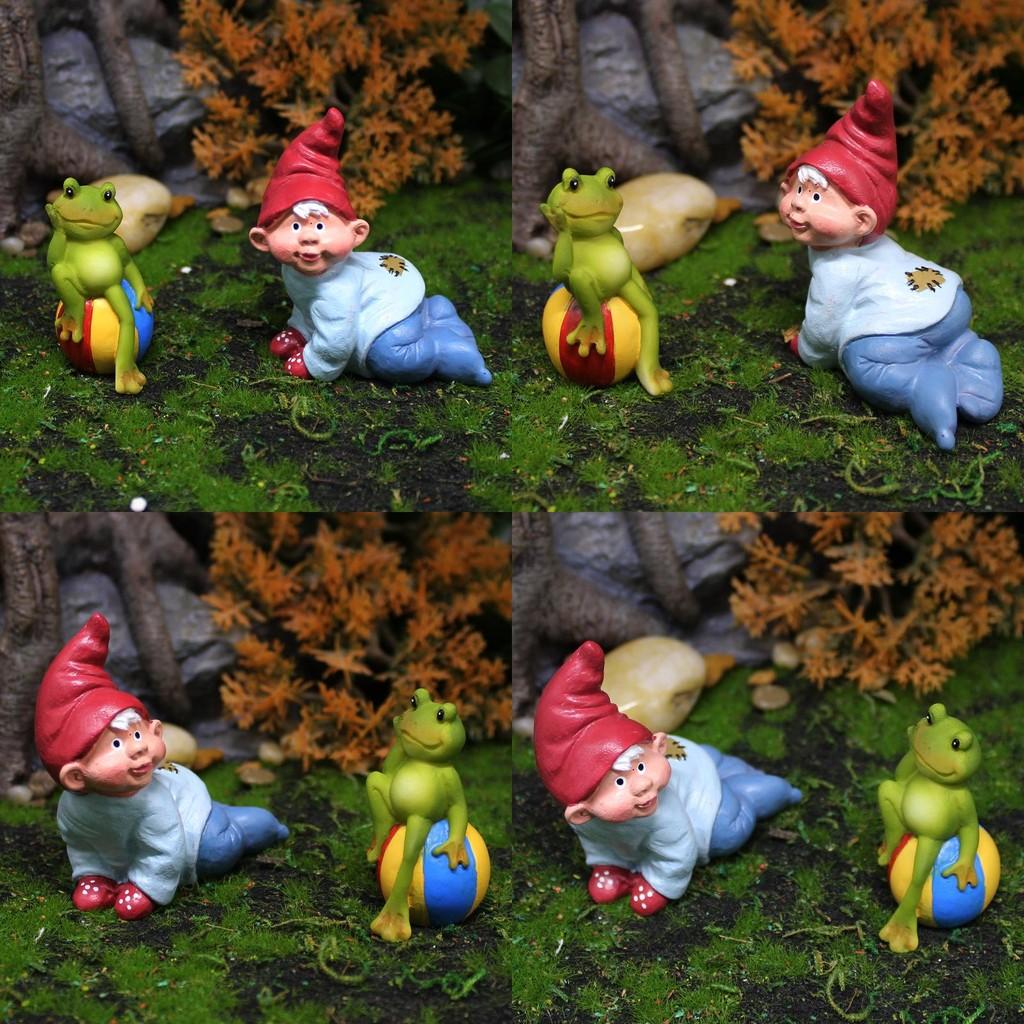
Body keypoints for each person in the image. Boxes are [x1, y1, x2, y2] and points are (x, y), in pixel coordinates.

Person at [779, 79, 1002, 450]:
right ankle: (968, 353)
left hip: (903, 329)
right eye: (799, 189)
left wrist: (809, 352)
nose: (798, 203)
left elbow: (824, 322)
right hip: (951, 301)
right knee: (943, 339)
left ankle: (920, 383)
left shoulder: (836, 268)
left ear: (862, 220)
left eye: (817, 197)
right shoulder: (880, 242)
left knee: (864, 362)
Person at [35, 613, 289, 920]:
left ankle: (257, 828)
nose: (139, 747)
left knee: (216, 851)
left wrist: (144, 888)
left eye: (137, 734)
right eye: (116, 744)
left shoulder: (151, 801)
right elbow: (83, 844)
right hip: (139, 840)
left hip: (192, 819)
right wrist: (93, 873)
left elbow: (166, 848)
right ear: (76, 776)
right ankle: (103, 878)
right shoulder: (72, 809)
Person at [533, 641, 801, 916]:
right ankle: (618, 865)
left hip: (700, 793)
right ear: (580, 813)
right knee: (702, 766)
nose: (642, 784)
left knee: (727, 832)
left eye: (639, 767)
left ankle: (763, 792)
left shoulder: (659, 807)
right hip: (689, 760)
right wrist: (609, 864)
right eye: (619, 782)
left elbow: (678, 848)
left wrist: (658, 884)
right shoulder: (591, 819)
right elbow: (597, 840)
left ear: (657, 745)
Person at [249, 108, 491, 386]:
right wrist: (300, 330)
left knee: (391, 359)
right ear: (262, 239)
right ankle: (435, 310)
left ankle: (444, 346)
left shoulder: (335, 290)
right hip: (390, 284)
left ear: (357, 233)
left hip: (393, 313)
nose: (308, 237)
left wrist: (313, 362)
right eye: (294, 226)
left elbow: (337, 341)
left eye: (321, 226)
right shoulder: (296, 269)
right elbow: (306, 302)